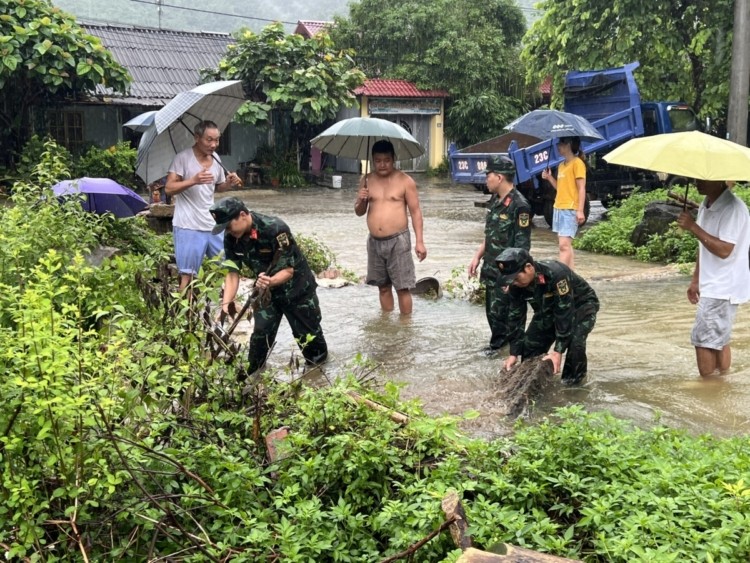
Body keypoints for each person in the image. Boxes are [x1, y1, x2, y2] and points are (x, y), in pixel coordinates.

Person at [211, 196, 328, 376]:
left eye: (228, 226)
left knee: (309, 340)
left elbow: (289, 271)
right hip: (266, 293)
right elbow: (233, 273)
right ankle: (253, 378)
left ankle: (319, 379)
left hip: (297, 291)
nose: (227, 231)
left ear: (242, 215)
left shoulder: (275, 229)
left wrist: (270, 281)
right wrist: (226, 305)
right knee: (260, 334)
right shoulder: (232, 237)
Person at [676, 179, 750, 377]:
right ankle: (721, 382)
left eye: (702, 179)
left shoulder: (732, 208)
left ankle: (708, 387)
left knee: (703, 340)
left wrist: (693, 227)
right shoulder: (707, 203)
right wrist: (695, 280)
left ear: (720, 181)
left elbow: (725, 250)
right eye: (696, 178)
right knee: (718, 340)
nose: (696, 182)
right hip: (713, 283)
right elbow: (704, 246)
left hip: (724, 285)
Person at [498, 247, 599, 385]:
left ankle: (573, 387)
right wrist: (513, 353)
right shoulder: (516, 285)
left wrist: (558, 351)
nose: (513, 283)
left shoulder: (556, 274)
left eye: (515, 278)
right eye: (510, 280)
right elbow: (515, 317)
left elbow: (565, 312)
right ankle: (535, 383)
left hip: (580, 305)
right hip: (548, 309)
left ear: (528, 267)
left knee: (575, 344)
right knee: (529, 346)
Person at [166, 120, 243, 291]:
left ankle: (229, 307)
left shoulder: (216, 159)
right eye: (209, 140)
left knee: (227, 267)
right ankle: (183, 313)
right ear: (196, 137)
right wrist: (193, 180)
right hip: (188, 225)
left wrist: (229, 183)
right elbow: (169, 188)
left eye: (217, 140)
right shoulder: (182, 159)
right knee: (188, 274)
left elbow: (217, 187)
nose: (214, 144)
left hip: (212, 224)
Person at [354, 139, 427, 314]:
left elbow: (416, 212)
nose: (382, 164)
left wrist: (420, 242)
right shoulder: (366, 180)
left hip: (398, 241)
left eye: (386, 160)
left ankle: (405, 328)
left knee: (402, 288)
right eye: (378, 161)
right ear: (372, 160)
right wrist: (361, 199)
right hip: (374, 242)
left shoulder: (405, 180)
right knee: (383, 287)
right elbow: (359, 212)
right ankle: (386, 325)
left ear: (393, 159)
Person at [468, 156, 532, 355]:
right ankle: (497, 348)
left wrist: (513, 278)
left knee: (508, 317)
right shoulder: (495, 200)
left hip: (507, 273)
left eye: (488, 175)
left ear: (499, 177)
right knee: (493, 313)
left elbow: (522, 248)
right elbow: (491, 234)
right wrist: (477, 256)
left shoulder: (520, 206)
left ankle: (505, 353)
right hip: (491, 268)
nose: (485, 179)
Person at [541, 136, 586, 269]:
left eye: (561, 143)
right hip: (558, 208)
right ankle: (571, 276)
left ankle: (559, 276)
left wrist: (580, 210)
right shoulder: (561, 165)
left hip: (570, 209)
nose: (558, 146)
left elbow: (581, 188)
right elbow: (560, 188)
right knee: (566, 246)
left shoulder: (577, 164)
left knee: (563, 246)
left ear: (569, 144)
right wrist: (549, 177)